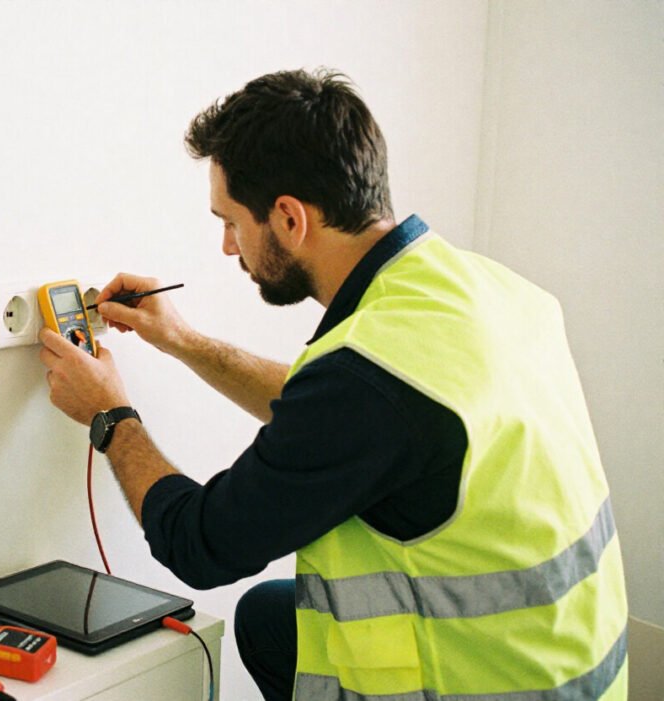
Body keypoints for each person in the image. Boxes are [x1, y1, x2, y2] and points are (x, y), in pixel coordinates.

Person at [38, 68, 628, 700]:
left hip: (487, 687)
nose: (228, 247)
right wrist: (183, 340)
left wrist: (110, 416)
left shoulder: (365, 382)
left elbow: (201, 544)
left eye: (231, 222)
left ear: (289, 218)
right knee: (269, 617)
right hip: (579, 671)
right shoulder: (482, 292)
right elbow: (351, 413)